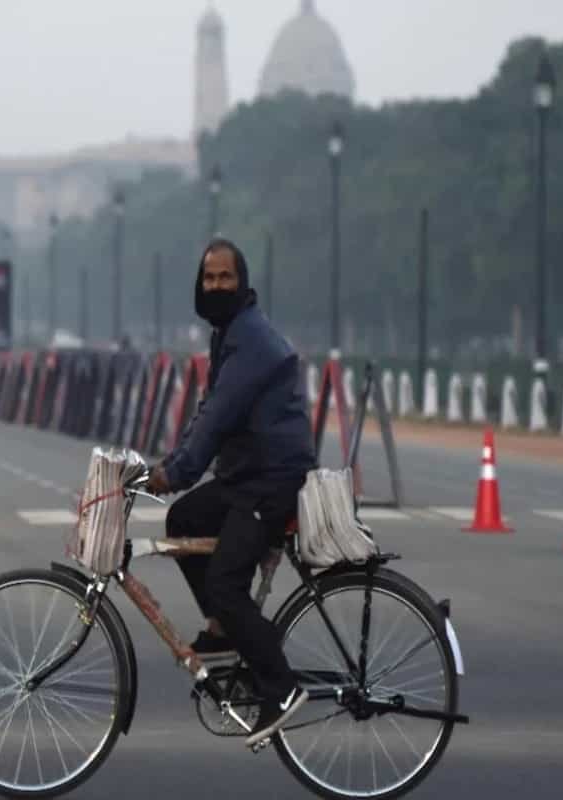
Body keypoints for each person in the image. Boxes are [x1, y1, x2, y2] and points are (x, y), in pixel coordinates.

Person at [146, 237, 316, 747]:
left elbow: (220, 416)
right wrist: (171, 468)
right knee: (184, 521)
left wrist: (175, 472)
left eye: (225, 277)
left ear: (242, 283)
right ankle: (223, 629)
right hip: (246, 474)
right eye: (208, 277)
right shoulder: (229, 333)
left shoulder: (252, 339)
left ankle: (282, 687)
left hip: (271, 479)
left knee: (225, 582)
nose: (216, 285)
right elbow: (209, 410)